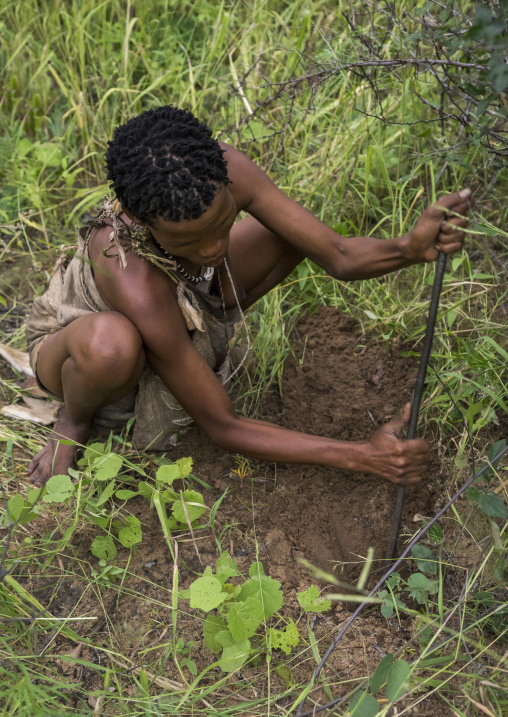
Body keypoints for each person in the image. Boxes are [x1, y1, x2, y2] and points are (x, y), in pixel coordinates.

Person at [25, 105, 471, 487]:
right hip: (76, 350)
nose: (215, 249)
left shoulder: (225, 169)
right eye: (189, 242)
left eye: (224, 224)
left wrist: (408, 249)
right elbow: (223, 425)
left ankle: (194, 348)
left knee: (285, 234)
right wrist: (360, 455)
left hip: (174, 310)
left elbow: (338, 254)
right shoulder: (129, 273)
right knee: (112, 345)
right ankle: (75, 420)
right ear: (143, 223)